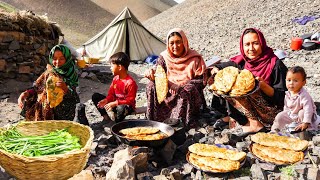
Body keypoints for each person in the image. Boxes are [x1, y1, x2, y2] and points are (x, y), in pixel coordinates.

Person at [209, 28, 288, 135]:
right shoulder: (243, 61)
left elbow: (285, 97)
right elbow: (220, 66)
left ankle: (254, 124)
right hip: (251, 108)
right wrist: (216, 70)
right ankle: (239, 118)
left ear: (262, 43)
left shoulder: (275, 65)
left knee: (241, 89)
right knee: (222, 85)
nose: (251, 48)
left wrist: (264, 86)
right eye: (247, 45)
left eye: (255, 43)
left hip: (272, 112)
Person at [144, 28, 206, 126]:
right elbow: (158, 73)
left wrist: (181, 86)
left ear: (184, 42)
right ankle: (154, 119)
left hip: (187, 92)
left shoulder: (195, 58)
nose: (175, 46)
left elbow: (201, 81)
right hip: (167, 90)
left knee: (187, 89)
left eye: (178, 42)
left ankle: (181, 122)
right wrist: (151, 73)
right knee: (151, 85)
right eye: (171, 43)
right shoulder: (164, 57)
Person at [18, 44, 80, 121]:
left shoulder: (71, 74)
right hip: (46, 107)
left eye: (61, 59)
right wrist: (26, 93)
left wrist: (65, 89)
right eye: (54, 58)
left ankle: (58, 123)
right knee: (34, 97)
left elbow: (75, 97)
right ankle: (42, 121)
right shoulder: (49, 72)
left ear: (67, 58)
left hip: (64, 110)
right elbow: (37, 87)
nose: (57, 62)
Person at [92, 52, 138, 124]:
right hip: (115, 103)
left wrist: (115, 103)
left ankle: (117, 123)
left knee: (121, 108)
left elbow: (130, 101)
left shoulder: (130, 83)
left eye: (112, 66)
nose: (110, 68)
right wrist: (106, 100)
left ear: (119, 67)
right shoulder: (115, 79)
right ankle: (106, 119)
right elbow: (111, 95)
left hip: (127, 106)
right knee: (96, 96)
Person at [271, 66, 320, 132]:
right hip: (292, 115)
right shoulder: (288, 94)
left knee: (302, 112)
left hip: (305, 117)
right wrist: (285, 116)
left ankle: (307, 130)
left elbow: (308, 109)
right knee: (280, 116)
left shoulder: (304, 95)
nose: (291, 83)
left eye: (295, 81)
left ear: (303, 82)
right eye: (289, 80)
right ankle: (275, 131)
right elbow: (286, 107)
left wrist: (306, 122)